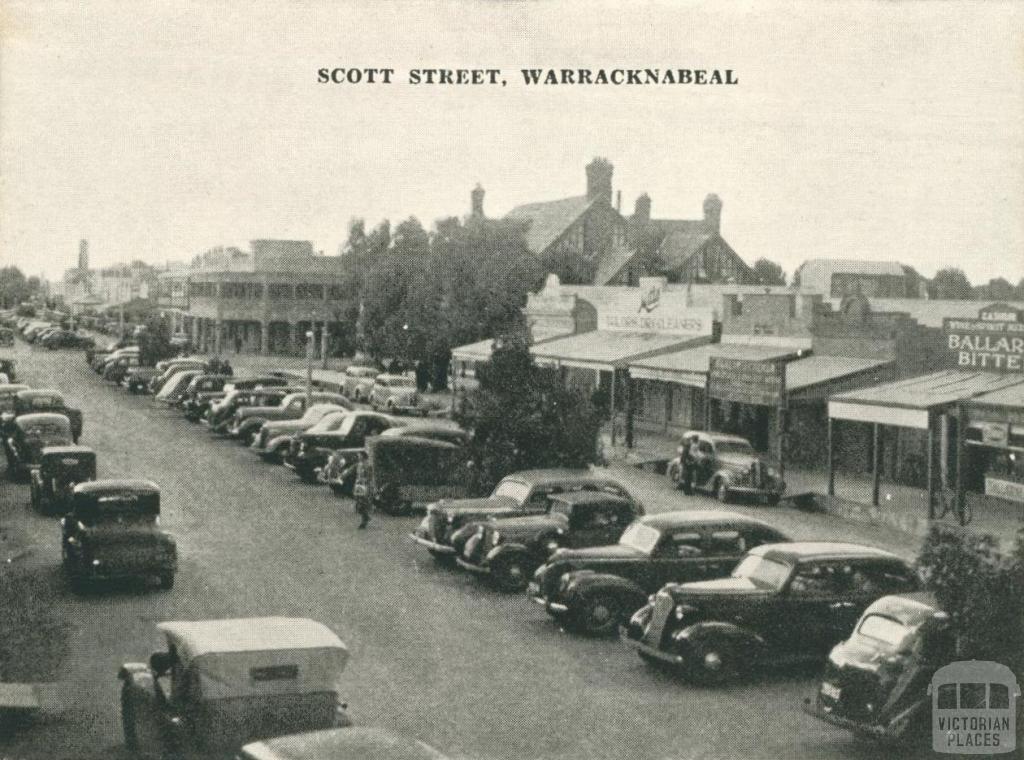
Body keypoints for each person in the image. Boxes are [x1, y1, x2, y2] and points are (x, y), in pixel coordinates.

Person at [354, 451, 372, 529]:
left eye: (359, 455)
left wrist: (364, 482)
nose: (358, 457)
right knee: (358, 502)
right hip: (359, 485)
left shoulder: (367, 464)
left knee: (362, 503)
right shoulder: (359, 464)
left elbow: (369, 476)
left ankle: (364, 522)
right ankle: (366, 517)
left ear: (363, 456)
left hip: (363, 485)